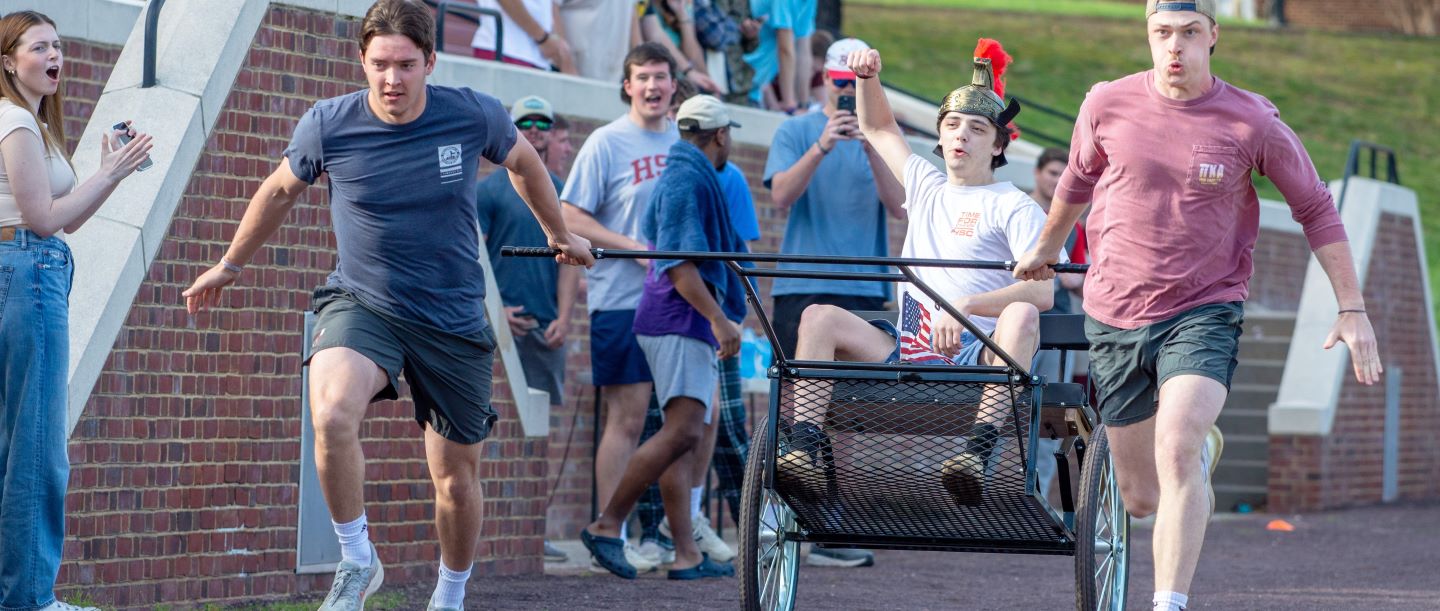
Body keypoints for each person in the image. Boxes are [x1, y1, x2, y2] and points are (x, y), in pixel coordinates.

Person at [180, 2, 593, 610]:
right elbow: (277, 190)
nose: (392, 79)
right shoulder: (329, 123)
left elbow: (526, 163)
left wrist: (558, 233)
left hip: (451, 316)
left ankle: (449, 594)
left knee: (453, 479)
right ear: (362, 61)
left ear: (430, 61)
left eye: (405, 64)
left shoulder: (471, 114)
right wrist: (229, 264)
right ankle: (357, 557)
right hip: (363, 300)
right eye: (379, 64)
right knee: (331, 412)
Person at [1012, 2, 1382, 610]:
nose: (1175, 47)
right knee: (1139, 497)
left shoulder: (1251, 121)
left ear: (1214, 36)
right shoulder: (1107, 103)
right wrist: (1046, 249)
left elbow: (1315, 206)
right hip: (1115, 311)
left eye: (1189, 33)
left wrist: (1352, 307)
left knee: (1178, 444)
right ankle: (1198, 454)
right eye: (1163, 34)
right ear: (1148, 36)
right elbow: (1076, 180)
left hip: (1203, 310)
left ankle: (1169, 602)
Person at [778, 41, 1055, 531]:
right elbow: (878, 127)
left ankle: (977, 455)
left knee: (1022, 313)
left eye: (976, 129)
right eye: (951, 126)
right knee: (818, 315)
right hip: (910, 347)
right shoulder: (926, 185)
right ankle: (801, 450)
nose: (960, 137)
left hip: (984, 354)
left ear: (998, 144)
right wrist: (867, 77)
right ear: (940, 137)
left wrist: (966, 305)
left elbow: (1043, 292)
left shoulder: (1015, 205)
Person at [0, 10, 152, 611]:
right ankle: (31, 599)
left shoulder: (31, 123)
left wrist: (108, 175)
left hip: (28, 268)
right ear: (9, 60)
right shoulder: (14, 122)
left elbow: (68, 216)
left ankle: (22, 595)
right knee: (36, 445)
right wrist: (109, 169)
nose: (54, 55)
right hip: (27, 272)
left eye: (58, 45)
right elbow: (41, 221)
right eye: (39, 47)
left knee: (17, 441)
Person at [581, 94, 745, 581]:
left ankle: (686, 554)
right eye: (728, 133)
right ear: (720, 135)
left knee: (679, 436)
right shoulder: (684, 178)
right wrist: (719, 320)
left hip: (674, 317)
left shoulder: (684, 172)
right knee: (685, 432)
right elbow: (678, 264)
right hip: (678, 317)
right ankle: (608, 524)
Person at [764, 36, 903, 568]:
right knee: (794, 401)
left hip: (863, 285)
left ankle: (828, 519)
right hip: (802, 282)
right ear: (824, 79)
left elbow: (900, 207)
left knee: (848, 411)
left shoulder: (884, 137)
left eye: (858, 84)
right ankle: (782, 512)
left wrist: (870, 142)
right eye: (841, 83)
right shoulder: (796, 128)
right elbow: (780, 197)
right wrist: (823, 145)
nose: (847, 94)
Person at [560, 42, 680, 573]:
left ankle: (676, 534)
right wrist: (633, 248)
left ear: (675, 84)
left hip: (681, 304)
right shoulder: (607, 143)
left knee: (686, 420)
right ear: (627, 86)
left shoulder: (686, 142)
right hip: (622, 302)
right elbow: (568, 215)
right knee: (627, 419)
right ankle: (613, 531)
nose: (653, 87)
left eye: (661, 76)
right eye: (642, 78)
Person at [475, 95, 579, 565]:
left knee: (542, 430)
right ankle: (487, 525)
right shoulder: (489, 191)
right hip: (502, 328)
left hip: (545, 327)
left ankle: (535, 529)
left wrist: (564, 315)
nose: (534, 130)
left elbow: (572, 261)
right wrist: (497, 313)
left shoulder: (561, 189)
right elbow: (473, 255)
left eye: (543, 123)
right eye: (524, 123)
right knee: (491, 425)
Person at [471, 0, 577, 74]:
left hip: (536, 59)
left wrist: (561, 52)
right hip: (504, 50)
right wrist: (543, 39)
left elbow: (551, 6)